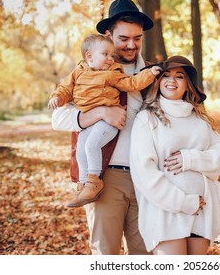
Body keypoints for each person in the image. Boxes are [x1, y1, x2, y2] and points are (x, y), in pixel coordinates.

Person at [51, 0, 155, 255]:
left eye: (137, 38)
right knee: (107, 255)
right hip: (107, 176)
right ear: (108, 35)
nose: (131, 45)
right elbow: (58, 119)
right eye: (123, 38)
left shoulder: (152, 74)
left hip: (148, 177)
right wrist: (100, 112)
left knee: (146, 254)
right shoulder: (87, 71)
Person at [130, 55, 220, 255]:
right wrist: (183, 203)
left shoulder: (200, 120)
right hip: (167, 212)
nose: (172, 80)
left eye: (179, 76)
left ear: (188, 84)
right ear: (158, 82)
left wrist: (190, 159)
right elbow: (144, 173)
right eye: (166, 75)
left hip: (202, 210)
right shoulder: (147, 119)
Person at [48, 33, 161, 208]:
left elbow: (132, 83)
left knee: (91, 145)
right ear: (89, 56)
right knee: (81, 149)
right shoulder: (78, 72)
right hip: (90, 123)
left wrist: (150, 73)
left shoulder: (112, 73)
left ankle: (94, 181)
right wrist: (57, 98)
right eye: (105, 54)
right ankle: (84, 184)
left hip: (108, 124)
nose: (110, 58)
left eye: (111, 55)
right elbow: (65, 89)